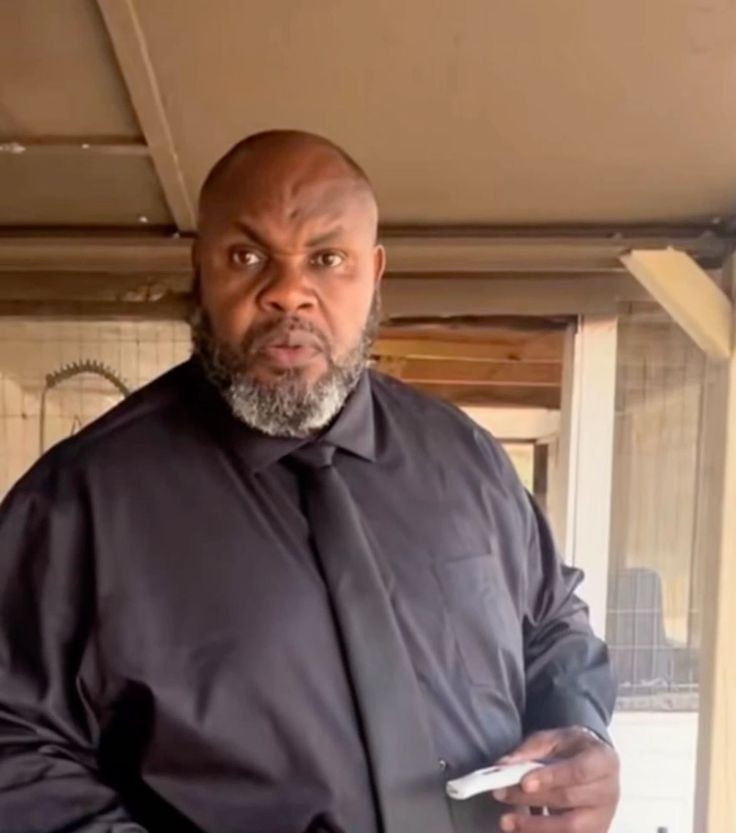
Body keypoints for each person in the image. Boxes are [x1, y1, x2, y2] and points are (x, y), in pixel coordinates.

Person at [0, 130, 619, 833]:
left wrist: (581, 731)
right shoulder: (80, 503)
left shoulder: (466, 460)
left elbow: (553, 624)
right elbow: (12, 742)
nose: (288, 292)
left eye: (327, 259)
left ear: (373, 273)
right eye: (247, 256)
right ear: (200, 269)